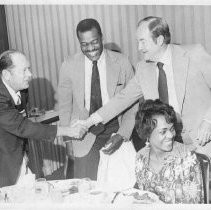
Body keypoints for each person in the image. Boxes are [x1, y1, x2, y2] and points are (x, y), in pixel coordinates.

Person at [76, 16, 211, 156]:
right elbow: (121, 100)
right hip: (169, 144)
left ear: (159, 40)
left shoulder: (193, 54)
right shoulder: (143, 69)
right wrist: (88, 122)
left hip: (204, 140)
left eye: (143, 42)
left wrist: (208, 121)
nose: (139, 48)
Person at [58, 18, 137, 180]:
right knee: (86, 186)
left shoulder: (122, 62)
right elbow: (65, 107)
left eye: (94, 42)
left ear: (101, 37)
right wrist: (68, 142)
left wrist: (122, 134)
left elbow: (133, 103)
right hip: (83, 133)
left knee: (119, 183)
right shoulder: (68, 65)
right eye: (84, 44)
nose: (90, 48)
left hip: (116, 128)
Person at [0, 50, 87, 187]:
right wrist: (68, 131)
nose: (30, 74)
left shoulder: (22, 90)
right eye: (24, 70)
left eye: (29, 69)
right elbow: (22, 126)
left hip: (17, 156)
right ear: (6, 75)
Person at [135, 99, 204, 204]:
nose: (171, 135)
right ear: (147, 134)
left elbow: (192, 203)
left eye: (171, 129)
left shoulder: (187, 159)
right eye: (163, 132)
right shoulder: (141, 157)